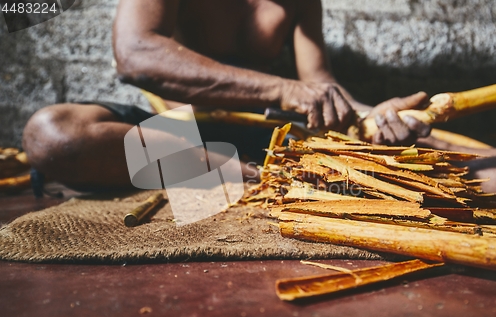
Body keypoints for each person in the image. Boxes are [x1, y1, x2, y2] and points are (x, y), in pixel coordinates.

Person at [23, 0, 431, 191]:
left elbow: (323, 84)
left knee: (469, 163)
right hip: (173, 141)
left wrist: (373, 116)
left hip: (266, 139)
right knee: (51, 135)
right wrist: (284, 88)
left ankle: (254, 176)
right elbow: (135, 54)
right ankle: (252, 178)